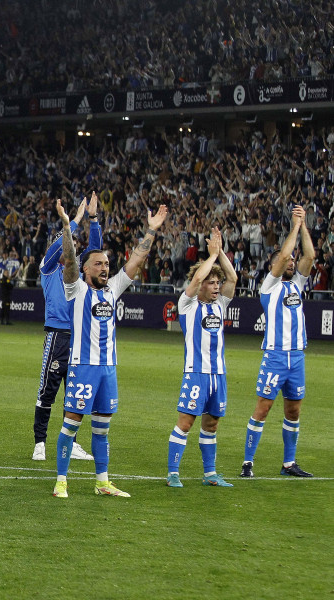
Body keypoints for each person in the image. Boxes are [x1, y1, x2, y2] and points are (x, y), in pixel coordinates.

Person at [52, 198, 167, 499]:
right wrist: (67, 226)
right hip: (83, 366)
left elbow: (137, 260)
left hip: (108, 369)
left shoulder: (112, 289)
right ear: (86, 268)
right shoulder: (76, 288)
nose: (106, 268)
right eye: (99, 264)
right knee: (71, 426)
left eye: (106, 264)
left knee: (102, 429)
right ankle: (61, 481)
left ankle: (102, 482)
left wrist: (151, 231)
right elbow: (68, 258)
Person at [241, 206, 315, 478]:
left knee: (293, 409)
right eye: (287, 261)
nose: (292, 262)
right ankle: (247, 463)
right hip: (274, 356)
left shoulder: (297, 284)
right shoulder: (268, 288)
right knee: (263, 408)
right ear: (275, 266)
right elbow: (284, 253)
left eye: (293, 261)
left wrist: (303, 224)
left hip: (296, 357)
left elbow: (310, 255)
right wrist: (293, 226)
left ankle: (288, 463)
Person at [166, 228, 237, 488]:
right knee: (186, 422)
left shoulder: (220, 305)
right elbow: (196, 279)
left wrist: (221, 254)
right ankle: (173, 472)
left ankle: (210, 475)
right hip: (196, 373)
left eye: (217, 283)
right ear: (201, 286)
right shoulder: (188, 305)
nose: (217, 286)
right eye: (211, 282)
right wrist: (212, 256)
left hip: (218, 374)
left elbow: (233, 277)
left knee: (212, 424)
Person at [32, 193, 100, 462]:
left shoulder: (77, 272)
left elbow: (96, 254)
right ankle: (40, 442)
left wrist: (93, 221)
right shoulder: (48, 268)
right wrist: (73, 221)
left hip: (79, 336)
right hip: (57, 335)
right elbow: (57, 247)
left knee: (75, 392)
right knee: (48, 390)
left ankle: (70, 443)